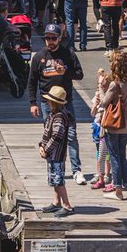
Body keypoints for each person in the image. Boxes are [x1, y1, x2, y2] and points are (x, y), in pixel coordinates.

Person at [28, 23, 86, 185]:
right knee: (51, 135)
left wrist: (66, 70)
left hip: (66, 101)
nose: (50, 41)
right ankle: (53, 166)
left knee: (72, 135)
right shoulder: (39, 57)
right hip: (47, 102)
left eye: (53, 38)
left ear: (60, 38)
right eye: (47, 38)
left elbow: (80, 74)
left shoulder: (68, 54)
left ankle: (76, 170)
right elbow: (32, 82)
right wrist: (33, 102)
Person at [99, 49, 127, 201]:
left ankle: (118, 190)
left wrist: (102, 87)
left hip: (113, 126)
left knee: (114, 157)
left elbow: (103, 102)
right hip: (126, 125)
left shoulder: (115, 85)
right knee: (122, 156)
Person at [38, 86, 77, 218]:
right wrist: (41, 145)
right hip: (51, 154)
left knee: (59, 180)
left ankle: (67, 205)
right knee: (54, 178)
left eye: (49, 101)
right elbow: (46, 132)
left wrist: (46, 149)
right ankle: (56, 202)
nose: (48, 102)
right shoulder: (52, 114)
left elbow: (57, 136)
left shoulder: (60, 116)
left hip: (57, 154)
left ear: (54, 103)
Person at [88, 68, 112, 190]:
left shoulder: (109, 97)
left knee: (106, 154)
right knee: (99, 153)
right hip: (97, 127)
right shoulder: (98, 96)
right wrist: (95, 103)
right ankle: (100, 174)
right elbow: (92, 113)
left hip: (106, 127)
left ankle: (107, 174)